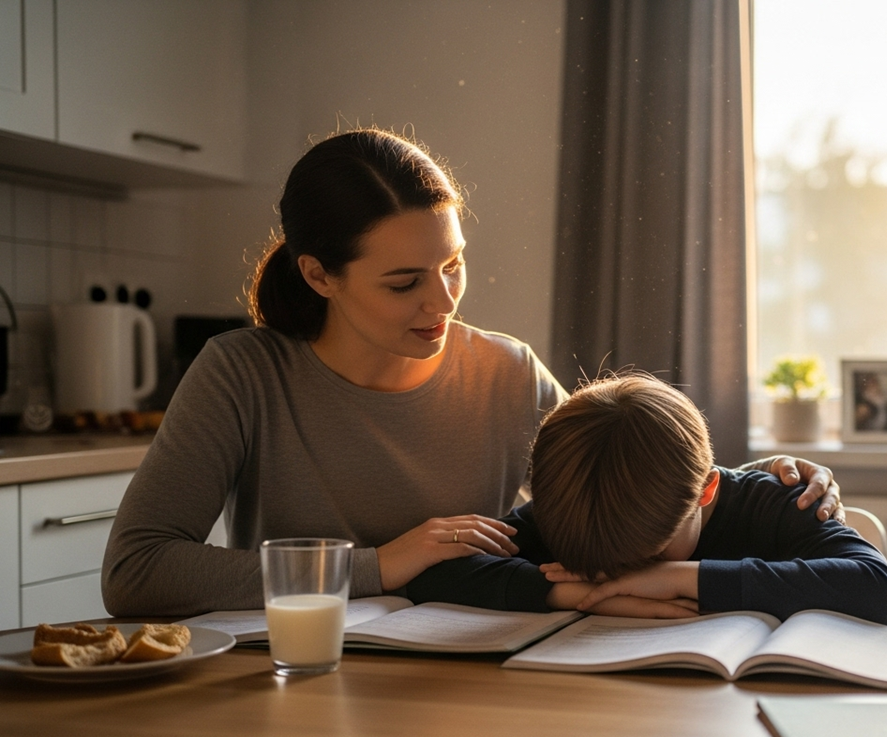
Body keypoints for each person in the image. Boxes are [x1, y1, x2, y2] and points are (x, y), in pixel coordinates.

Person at [102, 128, 843, 617]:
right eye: (404, 283)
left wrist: (761, 481)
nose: (443, 302)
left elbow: (629, 486)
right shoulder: (242, 374)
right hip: (300, 678)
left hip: (471, 681)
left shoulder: (504, 372)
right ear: (319, 275)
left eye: (452, 265)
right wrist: (381, 565)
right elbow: (136, 573)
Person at [406, 374, 887, 625]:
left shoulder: (773, 503)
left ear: (706, 491)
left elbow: (879, 589)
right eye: (605, 570)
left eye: (648, 557)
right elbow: (436, 574)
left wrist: (679, 577)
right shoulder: (574, 506)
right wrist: (574, 594)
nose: (622, 575)